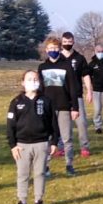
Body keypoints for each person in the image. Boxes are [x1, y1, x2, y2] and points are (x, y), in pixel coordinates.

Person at [8, 70, 58, 204]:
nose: (33, 82)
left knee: (40, 173)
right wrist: (13, 146)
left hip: (41, 143)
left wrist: (54, 142)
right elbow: (10, 126)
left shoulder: (46, 101)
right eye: (29, 79)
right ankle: (22, 201)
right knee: (23, 174)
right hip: (22, 145)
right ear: (23, 82)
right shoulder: (16, 102)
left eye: (35, 79)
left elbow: (53, 123)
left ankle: (38, 201)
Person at [38, 37, 81, 176]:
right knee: (47, 138)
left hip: (63, 107)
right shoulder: (42, 67)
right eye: (50, 49)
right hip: (47, 108)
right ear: (46, 50)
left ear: (59, 49)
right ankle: (45, 166)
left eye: (56, 48)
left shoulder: (66, 66)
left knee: (67, 138)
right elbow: (40, 89)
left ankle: (69, 165)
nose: (53, 51)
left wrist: (75, 107)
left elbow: (73, 89)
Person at [60, 32, 93, 157]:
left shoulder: (79, 58)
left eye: (69, 42)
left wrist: (89, 90)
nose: (67, 44)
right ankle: (62, 147)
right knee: (63, 124)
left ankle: (84, 147)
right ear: (61, 42)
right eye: (65, 42)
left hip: (77, 95)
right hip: (61, 96)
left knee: (82, 122)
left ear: (73, 42)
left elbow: (86, 75)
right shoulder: (58, 58)